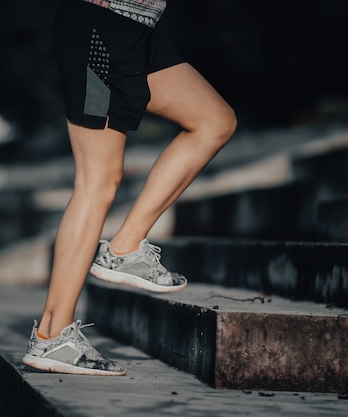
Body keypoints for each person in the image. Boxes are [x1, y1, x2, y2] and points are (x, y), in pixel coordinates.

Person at [22, 0, 237, 376]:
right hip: (100, 27)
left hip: (136, 30)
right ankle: (51, 335)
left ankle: (125, 247)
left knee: (215, 121)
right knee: (98, 180)